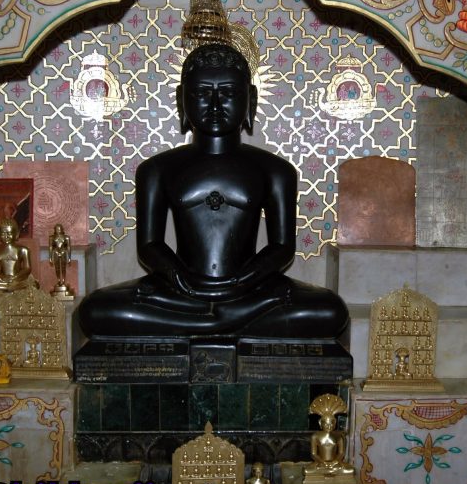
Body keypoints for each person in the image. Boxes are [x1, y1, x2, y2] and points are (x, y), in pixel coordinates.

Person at [78, 43, 348, 340]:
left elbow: (281, 248)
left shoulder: (275, 170)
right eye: (202, 93)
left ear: (251, 98)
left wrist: (243, 281)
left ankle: (205, 324)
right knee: (94, 310)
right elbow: (150, 246)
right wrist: (180, 278)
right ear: (182, 99)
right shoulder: (156, 169)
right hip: (180, 289)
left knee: (330, 310)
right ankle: (224, 323)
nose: (216, 105)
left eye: (229, 93)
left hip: (250, 289)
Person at [303, 393, 355, 484]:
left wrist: (335, 462)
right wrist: (322, 462)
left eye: (331, 423)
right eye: (326, 424)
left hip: (335, 464)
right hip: (320, 464)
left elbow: (341, 453)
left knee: (350, 470)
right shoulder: (315, 436)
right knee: (307, 471)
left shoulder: (339, 436)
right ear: (320, 423)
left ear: (335, 423)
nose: (329, 426)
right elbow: (314, 454)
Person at [49, 224, 74, 297]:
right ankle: (58, 280)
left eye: (59, 229)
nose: (58, 230)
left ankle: (63, 281)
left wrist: (69, 258)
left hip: (63, 252)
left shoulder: (66, 238)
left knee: (63, 267)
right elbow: (50, 248)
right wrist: (50, 258)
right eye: (57, 229)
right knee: (57, 268)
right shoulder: (52, 238)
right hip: (55, 252)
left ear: (62, 229)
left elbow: (68, 247)